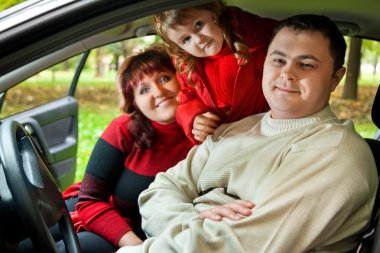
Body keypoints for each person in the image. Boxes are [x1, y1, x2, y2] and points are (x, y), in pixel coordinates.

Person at [117, 14, 379, 253]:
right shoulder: (236, 128)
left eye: (306, 65)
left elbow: (237, 247)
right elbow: (158, 191)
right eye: (278, 60)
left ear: (335, 78)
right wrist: (193, 220)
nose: (287, 73)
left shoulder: (334, 154)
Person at [16, 45, 194, 252]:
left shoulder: (208, 132)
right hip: (106, 217)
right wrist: (137, 248)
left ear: (181, 79)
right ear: (134, 103)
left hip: (152, 235)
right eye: (144, 90)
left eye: (164, 78)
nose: (159, 91)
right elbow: (90, 200)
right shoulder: (124, 130)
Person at [153, 1, 278, 144]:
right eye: (186, 39)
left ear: (214, 12)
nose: (199, 39)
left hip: (270, 126)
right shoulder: (187, 65)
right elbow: (187, 99)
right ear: (179, 47)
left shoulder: (253, 32)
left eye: (199, 25)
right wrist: (194, 119)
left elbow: (294, 36)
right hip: (226, 139)